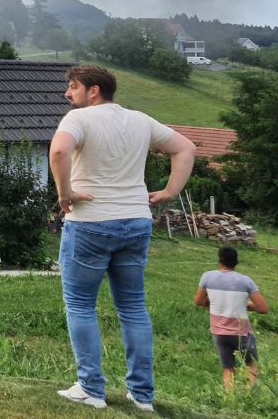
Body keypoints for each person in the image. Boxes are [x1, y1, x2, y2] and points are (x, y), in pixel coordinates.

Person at [49, 64, 196, 412]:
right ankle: (142, 397)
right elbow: (186, 148)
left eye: (73, 88)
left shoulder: (78, 121)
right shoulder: (141, 120)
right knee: (133, 307)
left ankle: (91, 389)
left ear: (93, 91)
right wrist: (170, 192)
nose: (68, 94)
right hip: (136, 222)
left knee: (81, 305)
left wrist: (64, 194)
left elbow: (58, 152)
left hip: (90, 224)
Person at [194, 245, 270, 392]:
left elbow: (198, 302)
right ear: (236, 262)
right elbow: (263, 309)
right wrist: (247, 304)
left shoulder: (207, 277)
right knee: (251, 364)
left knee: (228, 368)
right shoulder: (246, 281)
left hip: (219, 333)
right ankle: (250, 394)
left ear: (219, 260)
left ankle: (230, 398)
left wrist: (211, 303)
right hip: (242, 333)